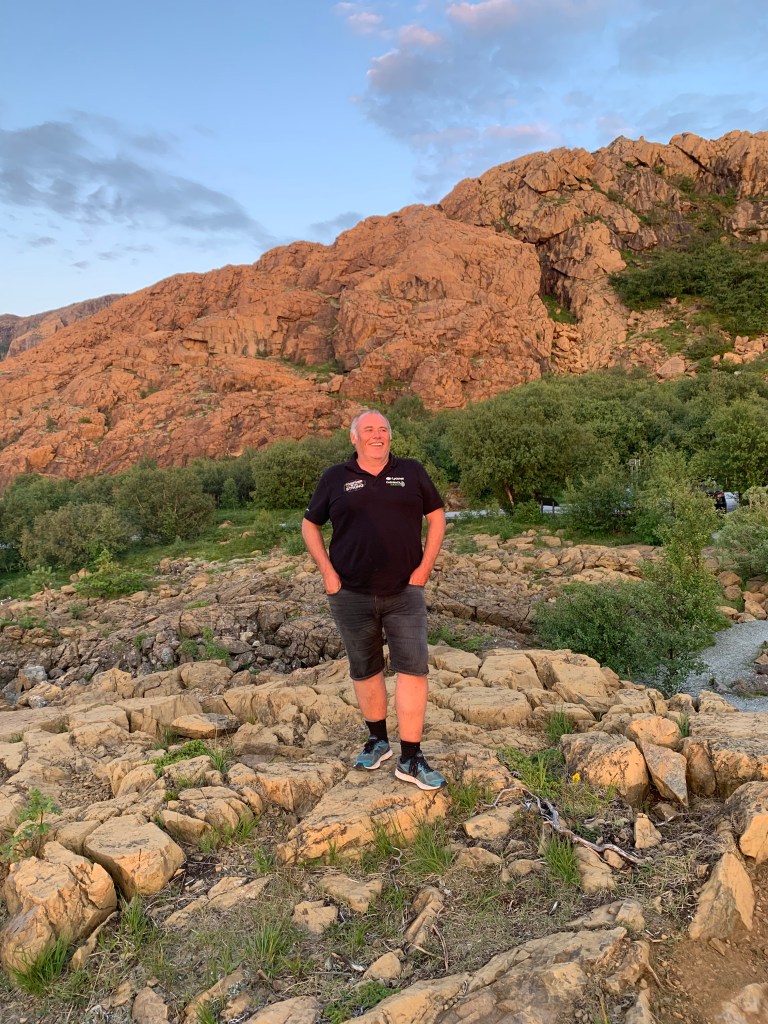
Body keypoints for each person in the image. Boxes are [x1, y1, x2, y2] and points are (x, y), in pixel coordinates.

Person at [301, 409, 447, 790]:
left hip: (404, 591)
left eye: (383, 429)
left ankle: (411, 757)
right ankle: (377, 740)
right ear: (354, 437)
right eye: (368, 429)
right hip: (350, 593)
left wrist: (424, 570)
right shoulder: (335, 477)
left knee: (413, 669)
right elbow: (310, 524)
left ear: (389, 436)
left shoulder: (411, 471)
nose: (377, 435)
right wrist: (327, 573)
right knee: (365, 669)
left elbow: (437, 516)